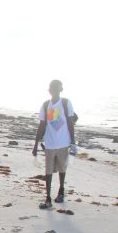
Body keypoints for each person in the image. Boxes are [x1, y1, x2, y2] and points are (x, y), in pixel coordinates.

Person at [31, 79, 78, 209]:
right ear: (49, 91)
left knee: (62, 169)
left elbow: (70, 122)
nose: (54, 90)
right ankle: (48, 198)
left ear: (61, 89)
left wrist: (73, 142)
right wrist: (35, 144)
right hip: (49, 144)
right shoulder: (45, 105)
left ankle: (61, 191)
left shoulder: (66, 103)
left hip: (63, 143)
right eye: (52, 88)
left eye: (57, 88)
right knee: (48, 171)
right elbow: (42, 125)